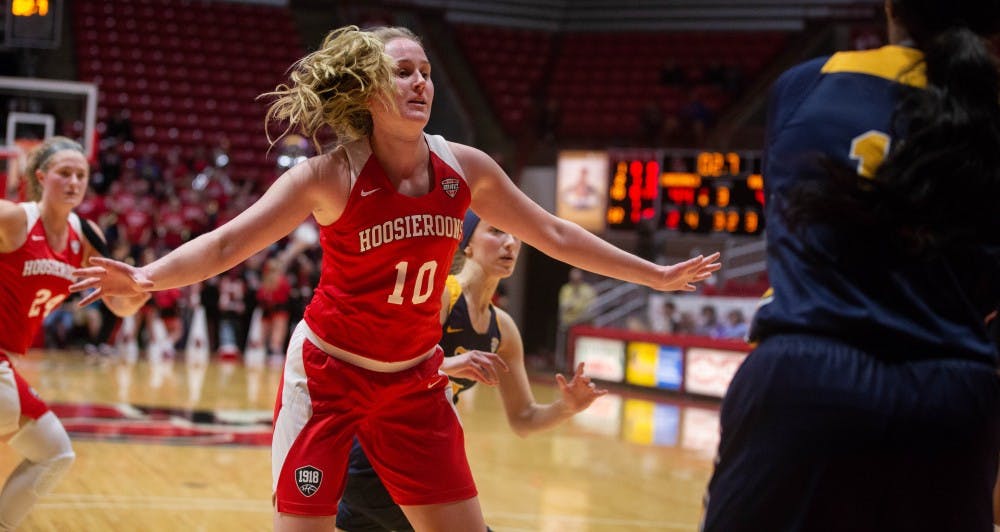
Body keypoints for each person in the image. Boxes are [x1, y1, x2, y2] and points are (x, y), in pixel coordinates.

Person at [69, 26, 720, 532]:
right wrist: (146, 277)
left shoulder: (465, 168)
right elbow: (230, 241)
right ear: (366, 91)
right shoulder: (328, 175)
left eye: (427, 73)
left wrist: (653, 274)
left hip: (414, 382)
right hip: (327, 377)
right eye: (402, 72)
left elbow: (552, 232)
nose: (420, 84)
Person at [702, 2, 1000, 530]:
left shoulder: (806, 86)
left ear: (891, 6)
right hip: (955, 402)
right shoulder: (985, 107)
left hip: (809, 380)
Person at [337, 210, 607, 531]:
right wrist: (449, 365)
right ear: (467, 245)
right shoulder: (439, 296)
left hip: (413, 461)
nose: (509, 243)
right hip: (375, 456)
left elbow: (524, 419)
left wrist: (566, 407)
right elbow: (384, 370)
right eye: (496, 232)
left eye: (515, 235)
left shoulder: (502, 329)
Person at [0, 136, 148, 529]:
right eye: (64, 173)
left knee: (54, 453)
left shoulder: (85, 236)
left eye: (81, 175)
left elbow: (121, 304)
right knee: (51, 449)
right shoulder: (15, 219)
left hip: (7, 362)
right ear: (41, 177)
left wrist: (141, 288)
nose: (73, 181)